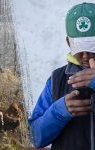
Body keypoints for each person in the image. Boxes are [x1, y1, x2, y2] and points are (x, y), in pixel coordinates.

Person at [29, 2, 95, 150]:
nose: (85, 56)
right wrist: (59, 111)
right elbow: (36, 137)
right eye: (79, 47)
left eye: (92, 46)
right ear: (68, 42)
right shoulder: (56, 79)